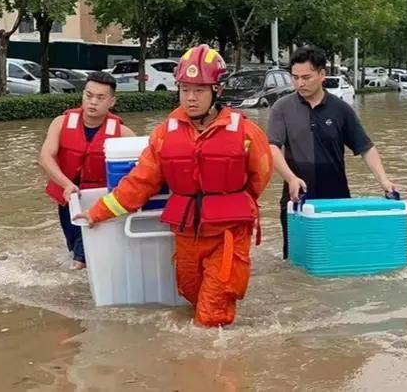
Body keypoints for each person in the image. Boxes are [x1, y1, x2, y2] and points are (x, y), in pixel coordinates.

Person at [73, 44, 273, 327]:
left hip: (228, 234)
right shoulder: (165, 134)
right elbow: (140, 182)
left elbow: (260, 175)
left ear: (217, 91)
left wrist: (233, 203)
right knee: (191, 296)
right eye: (185, 89)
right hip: (187, 235)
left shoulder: (245, 132)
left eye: (199, 90)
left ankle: (210, 369)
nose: (190, 98)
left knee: (210, 315)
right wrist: (97, 212)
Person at [267, 45, 396, 260]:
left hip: (336, 201)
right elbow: (271, 147)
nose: (300, 83)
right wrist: (291, 178)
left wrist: (384, 180)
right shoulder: (282, 108)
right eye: (295, 77)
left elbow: (365, 147)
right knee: (296, 265)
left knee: (338, 258)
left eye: (306, 77)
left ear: (322, 75)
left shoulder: (340, 109)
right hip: (297, 198)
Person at [39, 71, 135, 269]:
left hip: (99, 202)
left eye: (100, 98)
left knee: (81, 260)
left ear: (112, 101)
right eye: (88, 95)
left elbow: (140, 171)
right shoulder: (61, 123)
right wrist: (66, 184)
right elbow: (45, 156)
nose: (93, 102)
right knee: (74, 248)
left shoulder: (124, 134)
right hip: (68, 198)